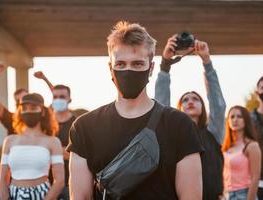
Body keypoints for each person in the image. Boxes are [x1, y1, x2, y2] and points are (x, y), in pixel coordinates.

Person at [66, 21, 203, 199]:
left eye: (137, 64)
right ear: (110, 68)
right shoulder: (84, 127)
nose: (128, 70)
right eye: (121, 64)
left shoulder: (179, 124)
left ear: (151, 68)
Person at [155, 34, 226, 200]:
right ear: (179, 109)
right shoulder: (173, 134)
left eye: (195, 99)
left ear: (203, 107)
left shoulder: (214, 133)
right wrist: (165, 64)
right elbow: (160, 105)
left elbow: (218, 104)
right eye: (185, 100)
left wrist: (207, 62)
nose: (190, 101)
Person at [0, 93, 65, 199]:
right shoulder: (9, 140)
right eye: (24, 108)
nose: (28, 111)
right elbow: (2, 178)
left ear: (42, 111)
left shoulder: (53, 141)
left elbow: (60, 180)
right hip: (14, 194)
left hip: (42, 194)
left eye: (33, 108)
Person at [34, 72, 76, 200]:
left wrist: (51, 149)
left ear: (70, 99)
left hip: (70, 183)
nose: (58, 100)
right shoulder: (45, 124)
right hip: (45, 183)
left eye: (62, 97)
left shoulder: (77, 124)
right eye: (55, 97)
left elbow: (80, 156)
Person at [222, 106, 261, 200]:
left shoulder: (252, 146)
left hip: (243, 194)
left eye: (239, 116)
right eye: (232, 117)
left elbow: (256, 177)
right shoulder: (226, 146)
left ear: (246, 120)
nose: (235, 119)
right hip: (227, 194)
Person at [0, 61, 28, 135]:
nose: (23, 103)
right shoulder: (11, 119)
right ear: (16, 103)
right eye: (19, 101)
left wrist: (45, 79)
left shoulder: (39, 120)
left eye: (25, 98)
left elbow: (56, 96)